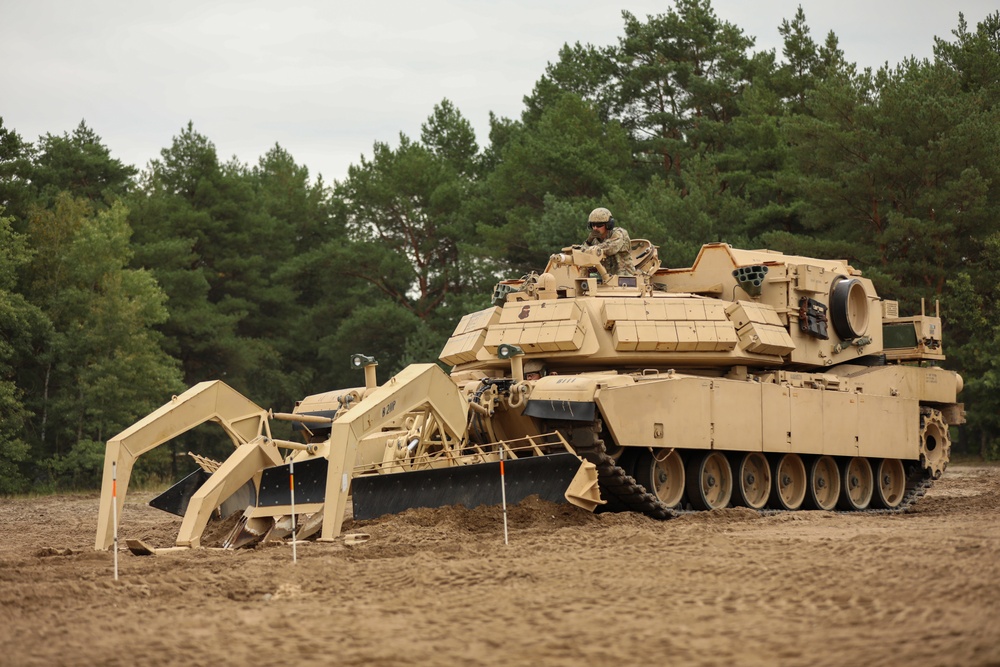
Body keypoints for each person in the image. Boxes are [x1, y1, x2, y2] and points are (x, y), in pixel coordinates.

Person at [583, 207, 635, 277]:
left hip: (624, 277)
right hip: (605, 278)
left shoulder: (620, 233)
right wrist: (588, 241)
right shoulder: (594, 240)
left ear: (609, 225)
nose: (595, 228)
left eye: (599, 225)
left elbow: (610, 248)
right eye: (593, 225)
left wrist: (589, 249)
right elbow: (583, 255)